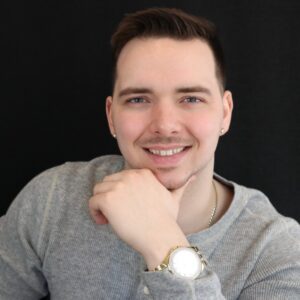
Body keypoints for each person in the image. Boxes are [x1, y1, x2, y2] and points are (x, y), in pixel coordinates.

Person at [0, 7, 299, 300]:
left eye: (191, 98)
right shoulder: (52, 198)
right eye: (139, 99)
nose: (165, 125)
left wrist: (162, 241)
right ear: (111, 116)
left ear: (225, 113)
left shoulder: (276, 249)